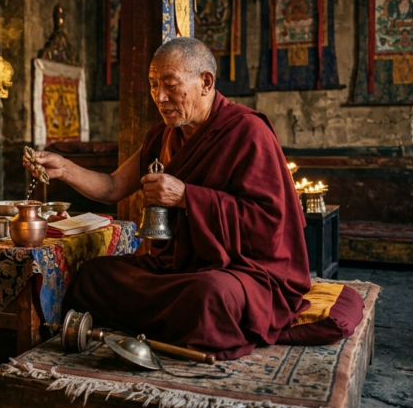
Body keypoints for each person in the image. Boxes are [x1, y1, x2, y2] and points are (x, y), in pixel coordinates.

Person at [25, 37, 310, 360]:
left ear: (205, 82)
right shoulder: (161, 135)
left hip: (240, 270)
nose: (160, 97)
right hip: (177, 267)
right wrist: (64, 168)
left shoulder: (247, 132)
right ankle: (177, 327)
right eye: (153, 85)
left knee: (208, 296)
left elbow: (271, 226)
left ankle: (170, 323)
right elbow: (112, 187)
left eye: (170, 85)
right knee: (93, 277)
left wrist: (189, 197)